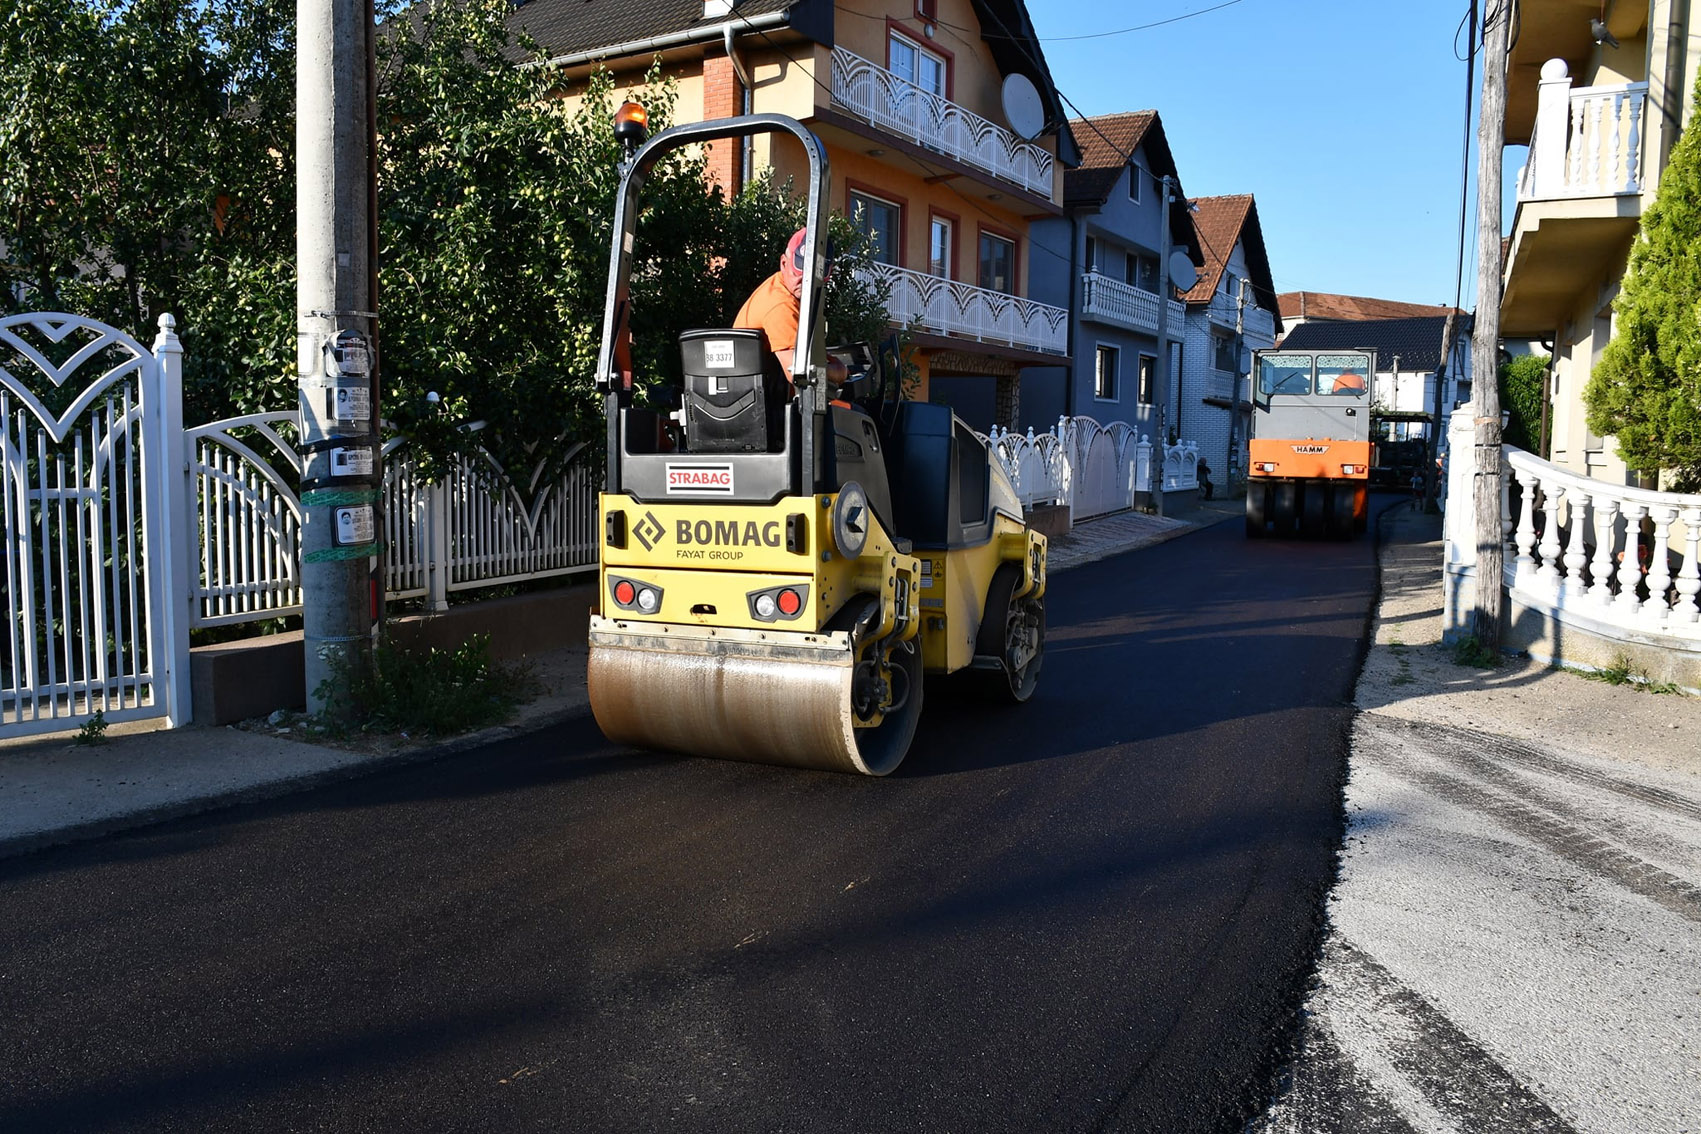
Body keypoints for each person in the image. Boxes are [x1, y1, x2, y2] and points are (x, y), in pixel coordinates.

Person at [734, 227, 846, 385]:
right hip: (770, 403)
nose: (806, 283)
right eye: (798, 274)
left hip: (763, 394)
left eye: (813, 277)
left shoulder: (778, 286)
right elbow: (799, 374)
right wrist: (840, 371)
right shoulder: (781, 304)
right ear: (783, 263)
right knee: (851, 408)